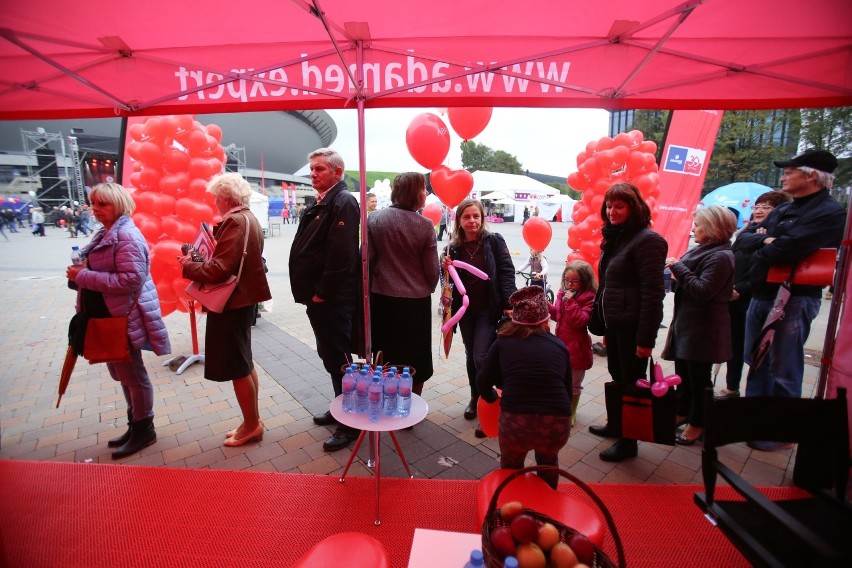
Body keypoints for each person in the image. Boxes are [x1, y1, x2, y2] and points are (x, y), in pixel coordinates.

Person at [738, 149, 845, 451]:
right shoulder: (786, 208)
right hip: (762, 295)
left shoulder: (830, 212)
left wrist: (768, 240)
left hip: (793, 299)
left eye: (789, 171)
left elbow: (783, 250)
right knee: (756, 362)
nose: (783, 176)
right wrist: (767, 239)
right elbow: (744, 240)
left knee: (783, 368)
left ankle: (781, 433)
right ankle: (753, 423)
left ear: (811, 175)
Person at [65, 183, 171, 459]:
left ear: (119, 204)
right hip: (108, 316)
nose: (96, 210)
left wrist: (83, 277)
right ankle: (134, 424)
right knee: (125, 375)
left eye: (103, 204)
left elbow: (130, 279)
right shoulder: (108, 232)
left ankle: (144, 429)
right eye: (93, 204)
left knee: (134, 376)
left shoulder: (125, 236)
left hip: (121, 317)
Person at [180, 173, 271, 447]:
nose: (215, 201)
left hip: (232, 303)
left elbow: (219, 269)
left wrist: (188, 264)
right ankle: (251, 421)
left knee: (237, 366)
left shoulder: (234, 220)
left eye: (216, 196)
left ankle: (252, 425)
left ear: (226, 197)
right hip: (242, 301)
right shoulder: (249, 218)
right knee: (243, 362)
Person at [588, 182, 667, 462]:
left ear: (634, 208)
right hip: (616, 324)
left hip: (633, 327)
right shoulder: (616, 238)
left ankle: (629, 440)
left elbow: (653, 294)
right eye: (609, 206)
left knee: (633, 382)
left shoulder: (648, 241)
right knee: (619, 378)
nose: (612, 211)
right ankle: (617, 425)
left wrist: (646, 340)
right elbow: (609, 284)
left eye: (619, 206)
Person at [289, 148, 361, 452]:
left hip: (331, 298)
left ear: (337, 171)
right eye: (312, 169)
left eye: (320, 169)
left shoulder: (342, 202)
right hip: (320, 298)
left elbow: (341, 256)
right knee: (331, 357)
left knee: (341, 359)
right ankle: (340, 408)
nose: (313, 174)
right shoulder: (325, 201)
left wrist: (321, 292)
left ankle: (351, 423)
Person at [476, 286, 572, 489]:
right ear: (545, 320)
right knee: (548, 462)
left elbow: (482, 380)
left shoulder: (503, 343)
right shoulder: (559, 345)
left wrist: (492, 397)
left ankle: (512, 504)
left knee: (511, 466)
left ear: (515, 318)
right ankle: (548, 506)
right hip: (556, 423)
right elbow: (567, 390)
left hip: (516, 421)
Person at [663, 206, 736, 445]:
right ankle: (683, 412)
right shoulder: (705, 250)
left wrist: (677, 266)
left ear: (713, 228)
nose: (694, 229)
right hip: (689, 324)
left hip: (704, 328)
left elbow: (703, 290)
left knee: (698, 378)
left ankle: (698, 423)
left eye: (698, 225)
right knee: (683, 374)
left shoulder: (721, 256)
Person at [443, 199, 516, 435]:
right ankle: (475, 397)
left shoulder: (493, 241)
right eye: (467, 217)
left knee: (481, 355)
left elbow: (506, 271)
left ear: (482, 218)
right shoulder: (453, 247)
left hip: (488, 309)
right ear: (459, 221)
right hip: (464, 311)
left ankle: (491, 396)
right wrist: (441, 267)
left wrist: (508, 302)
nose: (472, 221)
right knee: (470, 354)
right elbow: (445, 281)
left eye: (476, 216)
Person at [368, 172, 440, 398]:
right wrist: (430, 285)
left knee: (385, 351)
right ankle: (411, 402)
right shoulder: (425, 225)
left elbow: (366, 260)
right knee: (415, 354)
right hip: (415, 302)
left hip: (381, 298)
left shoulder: (374, 219)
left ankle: (386, 397)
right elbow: (432, 270)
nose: (426, 193)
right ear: (413, 193)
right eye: (423, 188)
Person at [717, 190, 791, 400]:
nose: (759, 210)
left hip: (755, 298)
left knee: (754, 352)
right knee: (734, 345)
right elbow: (735, 255)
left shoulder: (776, 236)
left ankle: (757, 396)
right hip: (733, 297)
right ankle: (732, 386)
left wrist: (740, 290)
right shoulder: (747, 232)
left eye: (765, 207)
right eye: (757, 206)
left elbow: (763, 269)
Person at [549, 260, 597, 426]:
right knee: (559, 380)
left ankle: (571, 412)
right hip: (560, 345)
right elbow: (558, 316)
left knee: (574, 383)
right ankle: (560, 408)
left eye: (574, 281)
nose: (569, 284)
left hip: (577, 348)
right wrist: (547, 305)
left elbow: (580, 322)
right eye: (566, 280)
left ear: (584, 281)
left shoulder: (589, 298)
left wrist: (571, 303)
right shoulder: (563, 293)